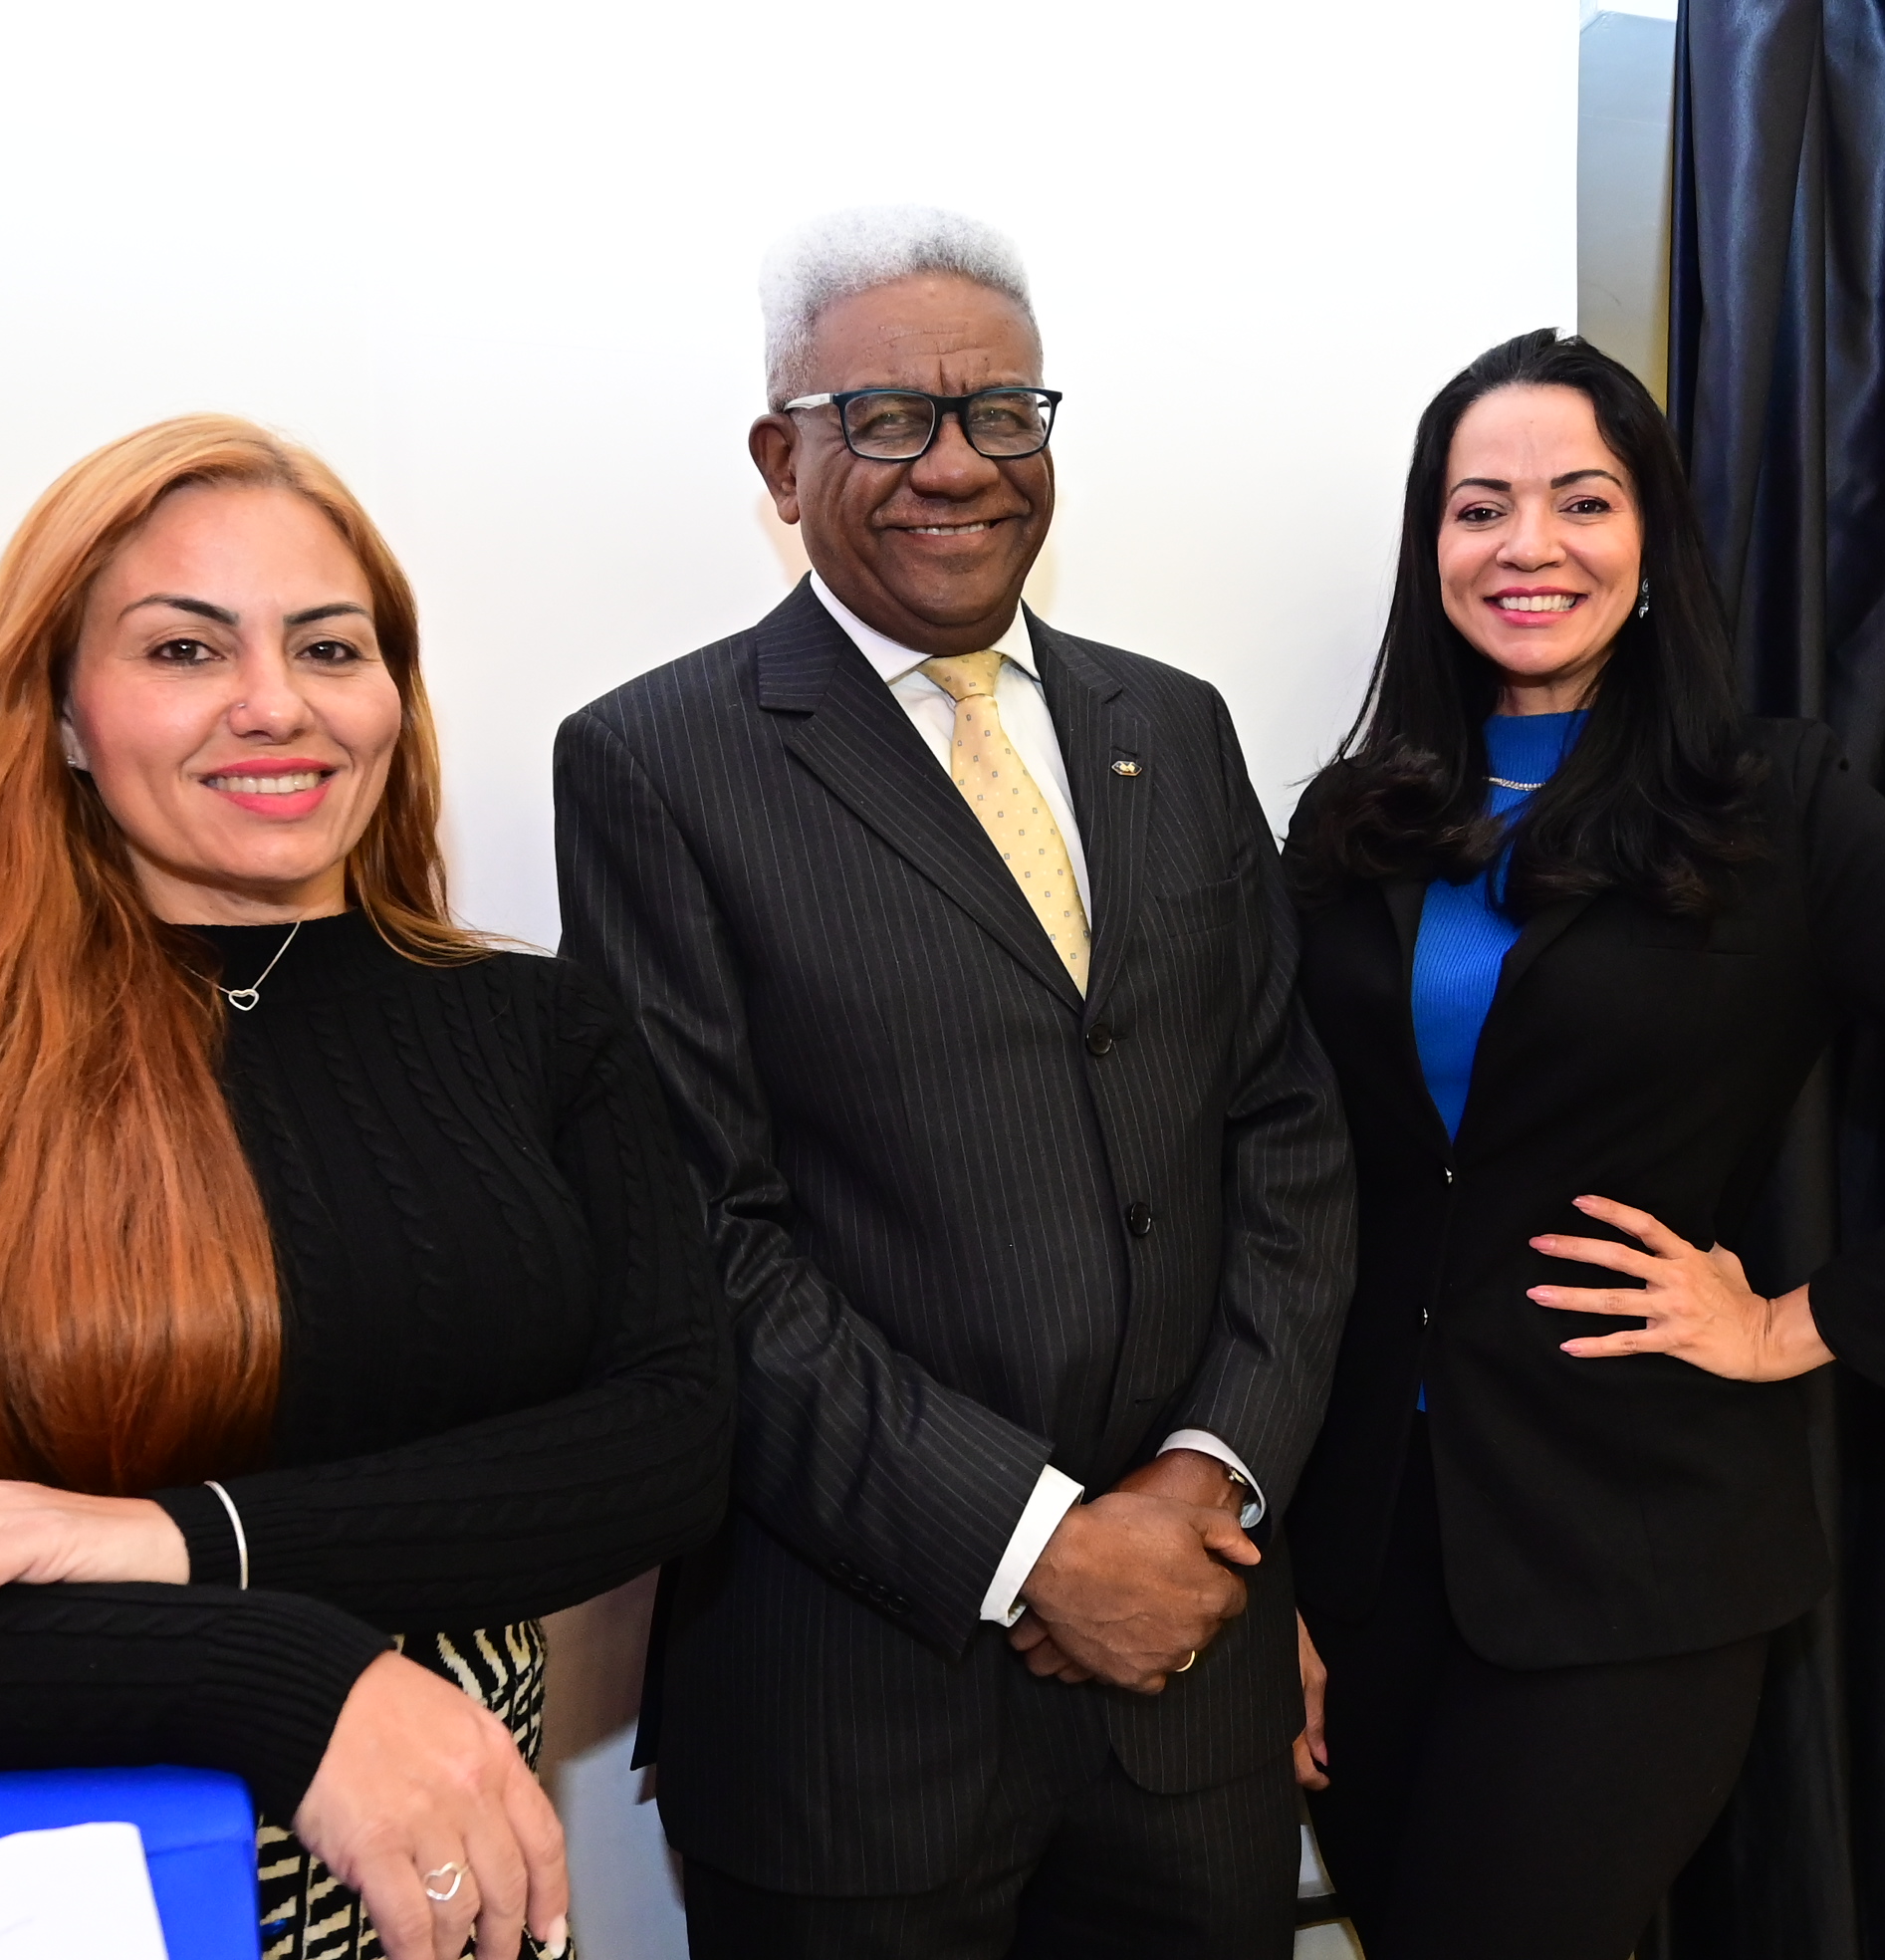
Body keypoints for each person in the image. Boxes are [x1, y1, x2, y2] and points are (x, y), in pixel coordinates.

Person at [0, 416, 732, 1960]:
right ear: (62, 713)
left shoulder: (537, 1028)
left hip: (460, 1909)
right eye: (184, 649)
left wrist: (173, 1540)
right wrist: (282, 1678)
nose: (275, 703)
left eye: (330, 646)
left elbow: (670, 1446)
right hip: (56, 1910)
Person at [1278, 329, 1885, 1957]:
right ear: (1432, 547)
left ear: (1652, 544)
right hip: (1362, 1557)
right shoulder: (1354, 820)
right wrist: (1267, 1561)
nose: (1530, 545)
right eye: (1481, 507)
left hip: (1634, 1548)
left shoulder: (1773, 804)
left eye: (1583, 501)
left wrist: (1802, 1321)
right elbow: (1293, 1183)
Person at [553, 207, 1354, 1959]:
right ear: (782, 461)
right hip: (858, 1721)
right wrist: (1039, 1546)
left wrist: (1208, 1480)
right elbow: (705, 1242)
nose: (960, 465)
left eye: (1002, 413)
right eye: (888, 419)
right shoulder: (654, 763)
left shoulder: (1176, 725)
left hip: (1193, 1696)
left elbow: (1284, 1136)